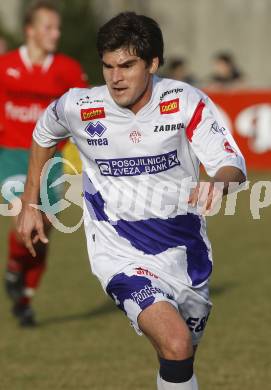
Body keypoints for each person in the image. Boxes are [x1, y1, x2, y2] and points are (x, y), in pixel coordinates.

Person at [17, 12, 246, 389]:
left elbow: (229, 162)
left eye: (127, 65)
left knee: (179, 353)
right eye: (107, 66)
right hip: (118, 252)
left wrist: (219, 185)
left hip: (184, 253)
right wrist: (31, 203)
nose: (115, 78)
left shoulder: (185, 101)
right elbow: (44, 133)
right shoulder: (80, 106)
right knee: (175, 342)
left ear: (152, 63)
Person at [0, 0, 87, 326]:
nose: (56, 33)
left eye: (58, 27)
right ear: (30, 30)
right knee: (23, 213)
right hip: (12, 153)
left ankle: (24, 297)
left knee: (43, 229)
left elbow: (81, 111)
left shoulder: (66, 68)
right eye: (49, 27)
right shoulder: (5, 65)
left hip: (53, 157)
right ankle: (12, 268)